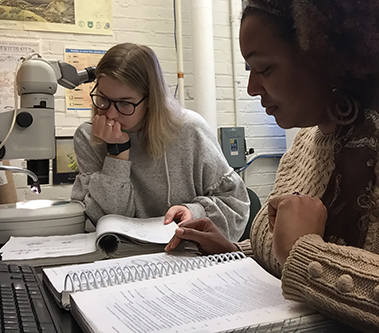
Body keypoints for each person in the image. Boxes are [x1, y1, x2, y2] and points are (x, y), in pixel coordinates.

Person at [165, 0, 379, 331]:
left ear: (324, 60)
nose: (251, 88)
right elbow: (282, 257)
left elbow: (296, 251)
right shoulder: (303, 145)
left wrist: (303, 252)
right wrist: (233, 251)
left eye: (264, 69)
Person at [71, 42, 250, 242]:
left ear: (151, 101)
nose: (111, 114)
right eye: (103, 99)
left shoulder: (189, 130)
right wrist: (117, 151)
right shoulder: (88, 137)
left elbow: (236, 206)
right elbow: (107, 221)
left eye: (124, 103)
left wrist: (195, 211)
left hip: (186, 254)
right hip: (123, 258)